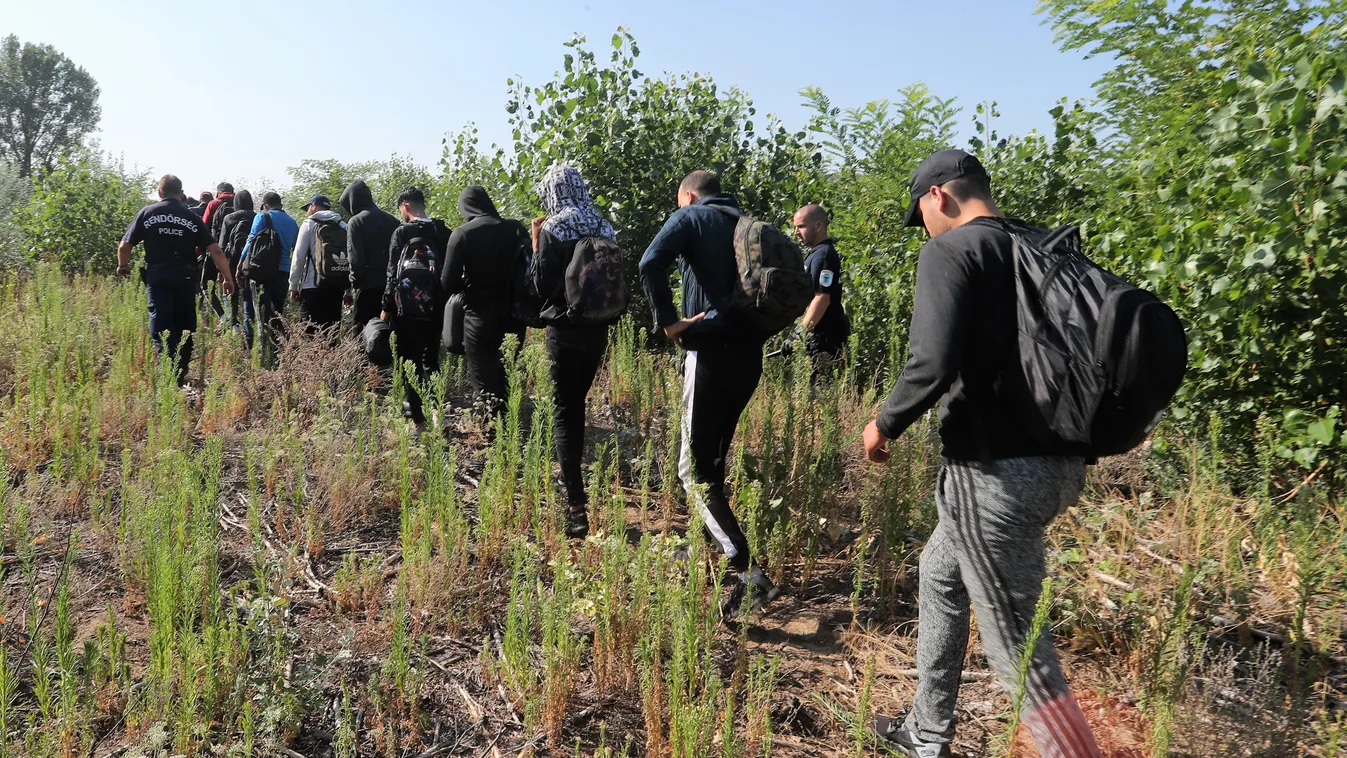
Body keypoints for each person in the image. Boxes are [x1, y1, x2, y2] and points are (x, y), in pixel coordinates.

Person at [864, 150, 1101, 758]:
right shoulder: (1036, 248)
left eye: (922, 215)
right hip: (1060, 462)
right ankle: (927, 732)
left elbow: (931, 362)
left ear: (938, 195)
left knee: (1017, 645)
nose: (925, 229)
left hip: (994, 473)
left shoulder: (951, 250)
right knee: (940, 573)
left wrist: (884, 424)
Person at [638, 169, 781, 620]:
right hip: (749, 358)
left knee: (692, 472)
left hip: (710, 354)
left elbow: (649, 263)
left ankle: (748, 573)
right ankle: (703, 547)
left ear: (688, 195)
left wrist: (669, 322)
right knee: (712, 459)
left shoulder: (692, 217)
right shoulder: (747, 223)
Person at [528, 167, 614, 538]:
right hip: (597, 329)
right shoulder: (604, 225)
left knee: (565, 411)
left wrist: (536, 242)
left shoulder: (554, 228)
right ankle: (572, 483)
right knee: (576, 403)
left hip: (564, 332)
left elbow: (539, 285)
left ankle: (575, 507)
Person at [115, 174, 235, 385]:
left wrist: (123, 266)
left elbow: (124, 246)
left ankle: (167, 370)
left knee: (161, 322)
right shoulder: (191, 217)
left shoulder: (147, 213)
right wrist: (227, 278)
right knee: (184, 323)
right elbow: (215, 250)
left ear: (159, 192)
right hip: (185, 277)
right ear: (181, 194)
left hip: (158, 276)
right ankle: (180, 369)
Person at [443, 185, 528, 418]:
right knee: (506, 373)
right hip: (514, 315)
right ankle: (508, 422)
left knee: (484, 381)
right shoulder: (516, 229)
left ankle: (492, 431)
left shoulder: (462, 234)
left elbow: (448, 283)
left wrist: (469, 283)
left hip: (479, 317)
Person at [381, 187, 451, 433]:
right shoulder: (442, 230)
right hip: (435, 307)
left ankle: (417, 422)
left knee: (409, 361)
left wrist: (386, 307)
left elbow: (392, 273)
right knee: (431, 359)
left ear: (405, 205)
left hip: (406, 309)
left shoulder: (401, 232)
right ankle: (438, 414)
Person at [239, 191, 299, 356]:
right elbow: (296, 249)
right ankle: (275, 352)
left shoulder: (262, 216)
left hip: (261, 271)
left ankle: (251, 352)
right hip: (283, 272)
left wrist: (240, 263)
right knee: (276, 313)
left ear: (265, 205)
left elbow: (251, 240)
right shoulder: (292, 222)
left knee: (255, 311)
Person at [792, 204, 850, 367]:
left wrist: (800, 333)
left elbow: (822, 298)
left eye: (801, 226)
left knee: (820, 383)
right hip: (817, 335)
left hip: (826, 338)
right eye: (795, 227)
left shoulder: (823, 256)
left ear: (818, 226)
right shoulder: (816, 254)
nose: (796, 232)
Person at [340, 179, 399, 334]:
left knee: (361, 336)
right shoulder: (392, 220)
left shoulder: (356, 222)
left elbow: (355, 260)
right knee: (387, 335)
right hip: (390, 289)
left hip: (367, 288)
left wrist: (354, 284)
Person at [289, 195, 349, 333]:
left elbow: (299, 257)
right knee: (331, 334)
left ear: (313, 206)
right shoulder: (343, 225)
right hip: (336, 287)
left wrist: (293, 285)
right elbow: (349, 259)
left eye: (307, 208)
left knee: (309, 334)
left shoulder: (308, 224)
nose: (307, 212)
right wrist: (348, 290)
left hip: (312, 287)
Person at [217, 189, 256, 329]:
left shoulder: (229, 218)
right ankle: (250, 326)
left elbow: (221, 245)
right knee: (249, 294)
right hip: (251, 259)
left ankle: (234, 324)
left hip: (232, 259)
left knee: (232, 293)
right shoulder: (256, 217)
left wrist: (220, 270)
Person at [200, 182, 237, 322]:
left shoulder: (213, 204)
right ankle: (234, 319)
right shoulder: (238, 204)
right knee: (232, 285)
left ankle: (223, 317)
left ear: (218, 193)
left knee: (206, 286)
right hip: (234, 253)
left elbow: (204, 228)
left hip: (214, 251)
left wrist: (200, 252)